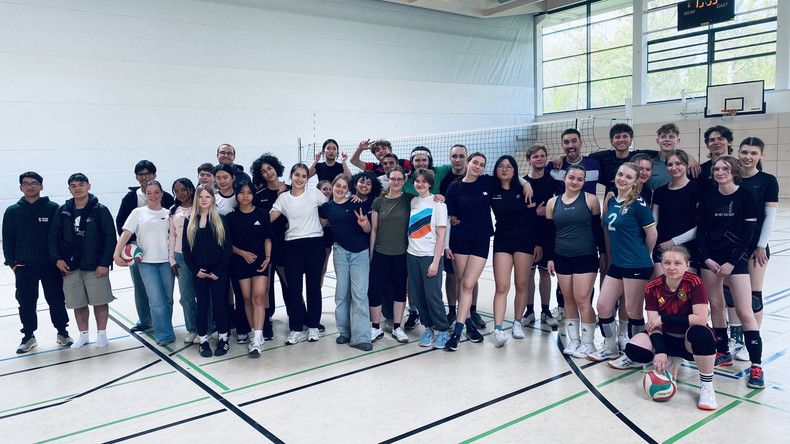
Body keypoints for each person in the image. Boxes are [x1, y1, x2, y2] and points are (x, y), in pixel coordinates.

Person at [621, 246, 718, 410]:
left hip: (688, 341)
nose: (672, 267)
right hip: (666, 336)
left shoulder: (694, 282)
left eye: (677, 263)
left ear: (687, 266)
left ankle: (707, 388)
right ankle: (670, 359)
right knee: (634, 348)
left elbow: (700, 319)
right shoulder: (653, 287)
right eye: (667, 263)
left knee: (702, 333)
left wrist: (664, 318)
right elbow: (652, 324)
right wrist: (660, 351)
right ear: (661, 265)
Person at [697, 155, 765, 389]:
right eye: (716, 168)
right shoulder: (708, 198)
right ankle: (723, 351)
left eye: (725, 168)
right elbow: (702, 232)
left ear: (734, 171)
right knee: (716, 306)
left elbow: (748, 235)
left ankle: (756, 366)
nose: (720, 172)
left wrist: (732, 263)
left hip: (736, 260)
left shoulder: (747, 196)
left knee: (745, 311)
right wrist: (706, 258)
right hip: (711, 260)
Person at [589, 163, 657, 366]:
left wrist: (643, 254)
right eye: (620, 174)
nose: (622, 179)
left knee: (634, 311)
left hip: (636, 263)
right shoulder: (612, 201)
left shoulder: (638, 203)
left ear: (636, 182)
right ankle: (610, 348)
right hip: (618, 263)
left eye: (628, 177)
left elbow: (652, 234)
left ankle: (635, 354)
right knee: (603, 306)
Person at [4, 172, 72, 352]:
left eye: (34, 183)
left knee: (57, 300)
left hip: (50, 266)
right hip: (24, 267)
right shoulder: (12, 211)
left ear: (41, 186)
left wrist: (59, 260)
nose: (30, 186)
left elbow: (60, 237)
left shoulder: (53, 208)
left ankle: (62, 332)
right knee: (26, 303)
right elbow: (7, 239)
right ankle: (28, 336)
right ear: (21, 188)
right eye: (26, 184)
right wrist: (12, 263)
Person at [49, 173, 116, 349]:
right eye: (73, 185)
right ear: (69, 189)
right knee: (77, 303)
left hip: (95, 265)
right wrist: (57, 259)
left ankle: (102, 334)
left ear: (88, 186)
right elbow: (53, 236)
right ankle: (83, 335)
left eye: (81, 184)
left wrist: (104, 263)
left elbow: (110, 237)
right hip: (71, 266)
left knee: (100, 301)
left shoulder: (100, 210)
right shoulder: (62, 211)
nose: (77, 188)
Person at [546, 165, 606, 358]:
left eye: (580, 179)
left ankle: (589, 343)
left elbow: (598, 231)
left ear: (584, 182)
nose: (575, 182)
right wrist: (550, 258)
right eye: (572, 178)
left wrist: (603, 254)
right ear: (564, 178)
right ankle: (574, 341)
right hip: (562, 257)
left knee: (582, 299)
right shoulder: (552, 203)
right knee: (568, 299)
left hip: (585, 257)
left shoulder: (591, 200)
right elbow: (550, 233)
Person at [728, 137, 779, 361]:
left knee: (753, 295)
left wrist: (761, 246)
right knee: (731, 295)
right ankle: (735, 339)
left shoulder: (768, 181)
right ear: (737, 153)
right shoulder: (732, 178)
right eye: (744, 152)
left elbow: (769, 216)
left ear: (761, 156)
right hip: (731, 246)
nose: (748, 157)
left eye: (753, 153)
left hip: (755, 246)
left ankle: (752, 340)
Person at [270, 163, 328, 345]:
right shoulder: (283, 198)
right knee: (294, 289)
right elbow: (268, 218)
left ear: (307, 178)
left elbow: (329, 209)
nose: (300, 178)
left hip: (314, 244)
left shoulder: (314, 193)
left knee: (313, 288)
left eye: (304, 175)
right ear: (291, 176)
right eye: (297, 175)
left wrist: (320, 225)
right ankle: (296, 329)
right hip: (292, 246)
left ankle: (313, 327)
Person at [114, 180, 176, 346]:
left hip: (166, 263)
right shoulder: (137, 213)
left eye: (156, 192)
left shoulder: (169, 212)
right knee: (156, 300)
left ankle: (166, 329)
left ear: (162, 194)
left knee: (168, 300)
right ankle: (163, 335)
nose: (153, 196)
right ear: (145, 195)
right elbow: (125, 234)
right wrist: (116, 254)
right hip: (147, 264)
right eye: (149, 193)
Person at [319, 174, 373, 351]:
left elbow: (368, 229)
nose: (340, 189)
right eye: (338, 186)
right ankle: (344, 332)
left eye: (344, 187)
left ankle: (361, 337)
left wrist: (364, 223)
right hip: (340, 253)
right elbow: (318, 225)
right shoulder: (327, 207)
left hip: (360, 253)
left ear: (348, 189)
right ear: (333, 186)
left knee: (359, 294)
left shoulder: (356, 203)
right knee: (341, 294)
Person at [444, 152, 492, 350]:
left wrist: (526, 184)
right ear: (468, 163)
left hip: (481, 240)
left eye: (481, 164)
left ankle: (461, 327)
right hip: (460, 239)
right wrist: (446, 245)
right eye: (475, 162)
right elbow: (447, 217)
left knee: (468, 284)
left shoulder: (488, 183)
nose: (478, 166)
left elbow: (514, 178)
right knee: (463, 283)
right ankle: (465, 328)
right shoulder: (454, 188)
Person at [490, 155, 538, 347]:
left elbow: (533, 217)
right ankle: (498, 329)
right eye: (501, 166)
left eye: (509, 167)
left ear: (514, 170)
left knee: (521, 284)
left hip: (524, 240)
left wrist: (537, 244)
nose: (504, 169)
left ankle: (517, 323)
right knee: (502, 286)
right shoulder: (491, 188)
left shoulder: (523, 189)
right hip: (502, 240)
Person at [182, 184, 233, 357]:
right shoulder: (190, 221)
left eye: (207, 197)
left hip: (218, 271)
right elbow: (186, 250)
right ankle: (203, 340)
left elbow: (227, 249)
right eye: (200, 197)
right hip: (199, 272)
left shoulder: (221, 219)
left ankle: (223, 338)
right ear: (196, 199)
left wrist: (219, 270)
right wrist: (195, 270)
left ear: (212, 199)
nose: (204, 200)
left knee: (219, 305)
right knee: (202, 306)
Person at [369, 166, 416, 344]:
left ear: (404, 181)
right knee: (374, 289)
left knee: (399, 291)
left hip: (401, 253)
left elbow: (427, 202)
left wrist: (439, 197)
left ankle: (397, 327)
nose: (396, 182)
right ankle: (375, 328)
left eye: (399, 179)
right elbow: (374, 229)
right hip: (380, 252)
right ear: (387, 180)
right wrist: (372, 254)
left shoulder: (410, 200)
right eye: (393, 179)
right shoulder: (378, 202)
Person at [406, 169, 451, 349]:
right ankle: (428, 327)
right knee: (418, 295)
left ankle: (443, 330)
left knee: (433, 296)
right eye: (417, 181)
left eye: (424, 181)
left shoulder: (438, 204)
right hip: (412, 254)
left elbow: (441, 235)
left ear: (430, 183)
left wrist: (435, 261)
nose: (420, 184)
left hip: (430, 256)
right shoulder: (413, 201)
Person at [227, 181, 272, 355]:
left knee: (258, 298)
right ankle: (255, 333)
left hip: (260, 262)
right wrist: (242, 253)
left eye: (249, 192)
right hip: (240, 261)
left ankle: (257, 339)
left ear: (253, 195)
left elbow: (268, 238)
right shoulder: (231, 217)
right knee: (246, 299)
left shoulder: (262, 214)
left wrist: (268, 258)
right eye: (242, 192)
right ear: (236, 195)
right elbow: (228, 244)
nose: (245, 196)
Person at [251, 153, 290, 340]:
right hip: (265, 246)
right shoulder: (258, 196)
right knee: (264, 286)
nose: (267, 173)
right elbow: (260, 219)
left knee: (290, 283)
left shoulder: (292, 189)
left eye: (269, 168)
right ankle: (266, 322)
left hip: (286, 245)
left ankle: (299, 316)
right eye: (263, 171)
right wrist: (278, 197)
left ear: (276, 168)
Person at [651, 150, 703, 278]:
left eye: (678, 163)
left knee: (683, 294)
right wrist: (650, 249)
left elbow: (702, 226)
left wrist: (673, 242)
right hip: (661, 248)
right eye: (670, 164)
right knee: (663, 294)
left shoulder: (697, 190)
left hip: (687, 248)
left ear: (686, 165)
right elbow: (654, 223)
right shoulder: (659, 191)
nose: (674, 168)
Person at [522, 145, 558, 329]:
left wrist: (548, 212)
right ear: (529, 160)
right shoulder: (522, 183)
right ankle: (529, 311)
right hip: (528, 234)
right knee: (528, 273)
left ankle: (545, 310)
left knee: (545, 273)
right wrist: (536, 212)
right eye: (535, 156)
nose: (539, 159)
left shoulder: (552, 182)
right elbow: (521, 211)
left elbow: (559, 204)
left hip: (547, 234)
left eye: (543, 156)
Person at [168, 178, 200, 344]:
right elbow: (172, 236)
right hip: (181, 257)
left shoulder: (200, 207)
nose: (180, 194)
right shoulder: (174, 211)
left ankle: (206, 329)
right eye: (177, 191)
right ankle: (192, 329)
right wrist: (172, 259)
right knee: (186, 296)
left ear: (191, 190)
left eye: (183, 189)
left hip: (200, 257)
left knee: (204, 295)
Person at [547, 128, 601, 195]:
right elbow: (535, 175)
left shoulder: (595, 165)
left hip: (589, 205)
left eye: (574, 141)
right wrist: (529, 183)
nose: (570, 146)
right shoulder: (554, 165)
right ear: (562, 145)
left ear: (580, 143)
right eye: (566, 142)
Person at [692, 125, 733, 192]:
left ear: (729, 142)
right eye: (712, 140)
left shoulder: (740, 167)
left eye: (720, 139)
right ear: (707, 145)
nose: (716, 143)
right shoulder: (699, 171)